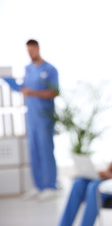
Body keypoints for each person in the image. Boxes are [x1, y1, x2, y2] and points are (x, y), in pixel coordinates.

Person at [21, 39, 59, 201]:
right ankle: (39, 186)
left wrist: (32, 93)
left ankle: (50, 186)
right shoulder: (28, 69)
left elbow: (54, 92)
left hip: (44, 117)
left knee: (46, 150)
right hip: (31, 118)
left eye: (32, 50)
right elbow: (24, 88)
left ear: (38, 48)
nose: (30, 53)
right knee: (34, 151)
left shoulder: (50, 69)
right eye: (27, 50)